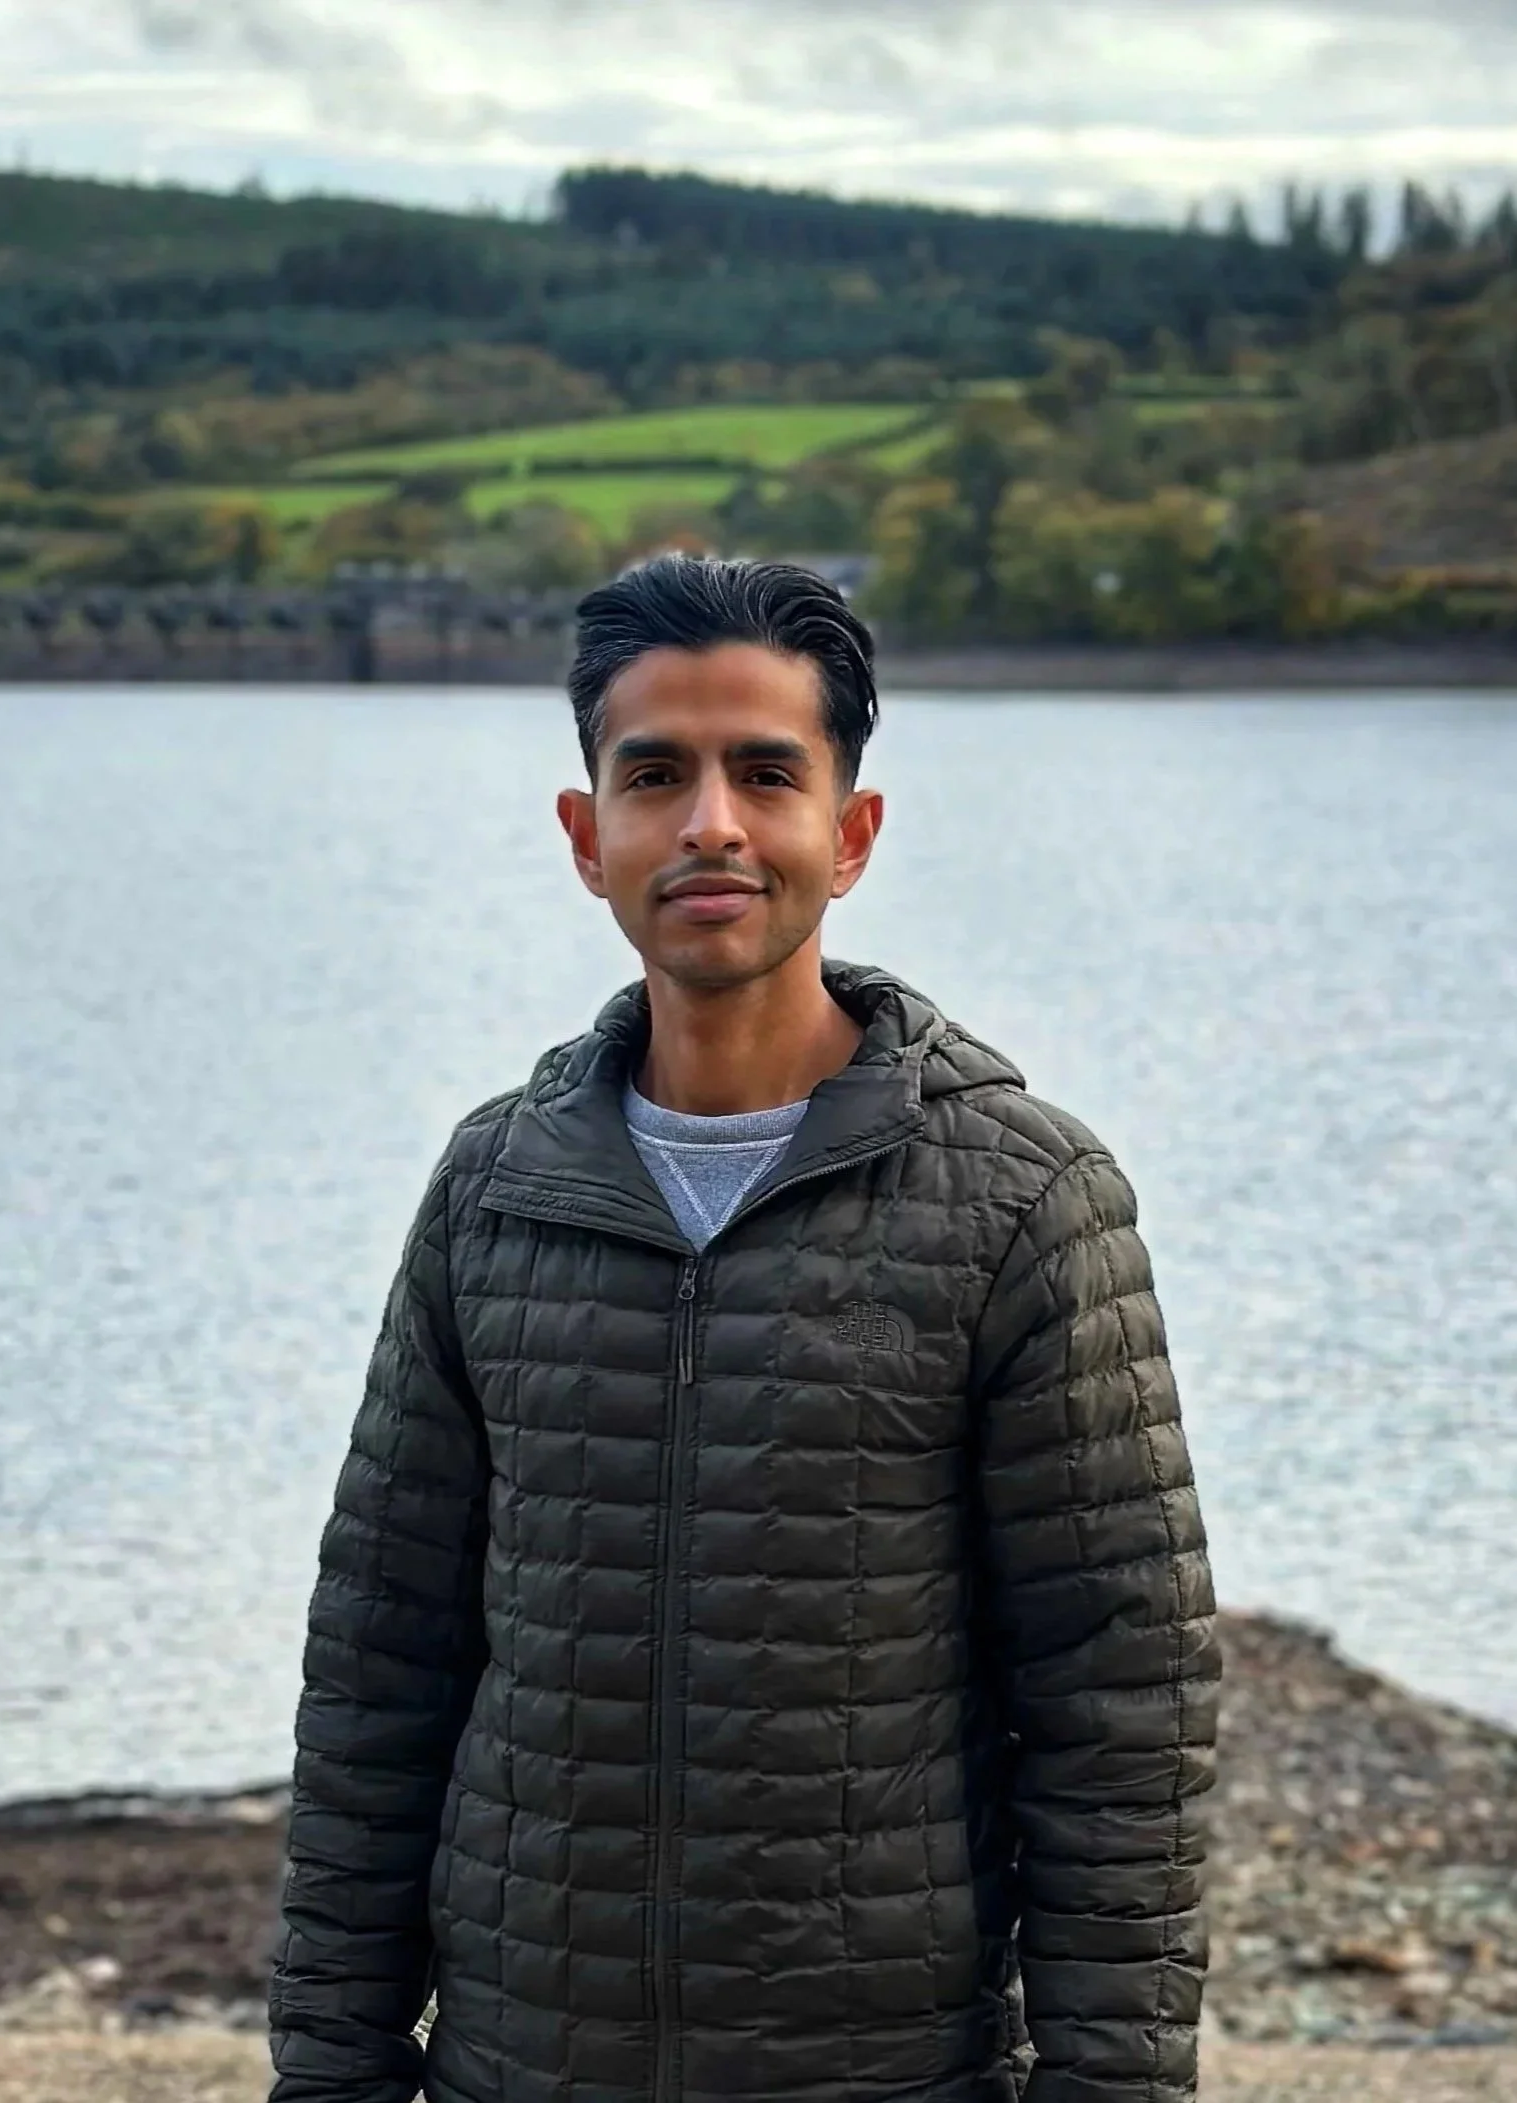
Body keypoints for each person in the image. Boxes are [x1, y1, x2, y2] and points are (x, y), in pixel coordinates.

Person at [268, 554, 1221, 2103]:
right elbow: (380, 1667)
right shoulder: (492, 1188)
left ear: (849, 834)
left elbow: (1122, 1700)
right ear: (588, 838)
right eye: (656, 773)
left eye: (764, 772)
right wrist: (330, 2070)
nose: (710, 820)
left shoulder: (1026, 1198)